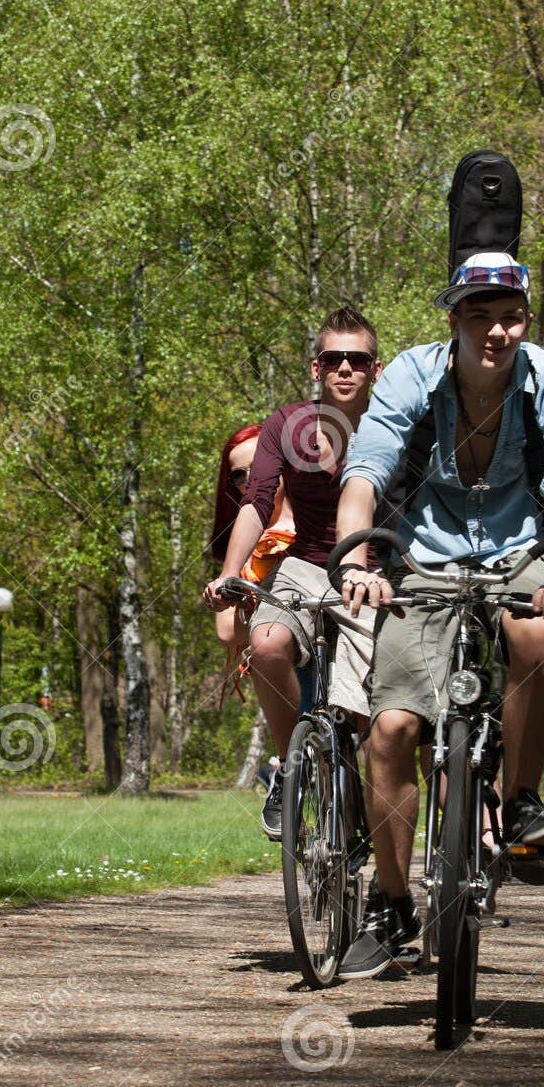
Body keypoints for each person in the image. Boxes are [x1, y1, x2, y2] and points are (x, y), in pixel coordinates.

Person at [334, 252, 544, 979]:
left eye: (509, 317)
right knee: (391, 729)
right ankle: (390, 906)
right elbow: (365, 472)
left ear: (525, 320)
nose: (496, 332)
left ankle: (518, 799)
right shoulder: (412, 378)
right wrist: (357, 562)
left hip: (519, 543)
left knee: (532, 629)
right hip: (422, 556)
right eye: (478, 317)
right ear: (451, 319)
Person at [204, 305, 383, 839]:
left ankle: (378, 842)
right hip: (307, 566)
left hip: (379, 570)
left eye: (358, 359)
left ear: (376, 369)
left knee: (376, 719)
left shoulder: (394, 422)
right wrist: (233, 574)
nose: (345, 368)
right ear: (316, 368)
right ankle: (291, 769)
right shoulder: (287, 423)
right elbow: (257, 500)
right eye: (334, 359)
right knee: (266, 642)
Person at [208, 425, 296, 665]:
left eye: (258, 466)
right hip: (288, 664)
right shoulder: (244, 544)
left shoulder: (319, 520)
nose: (251, 478)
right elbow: (226, 630)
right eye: (239, 474)